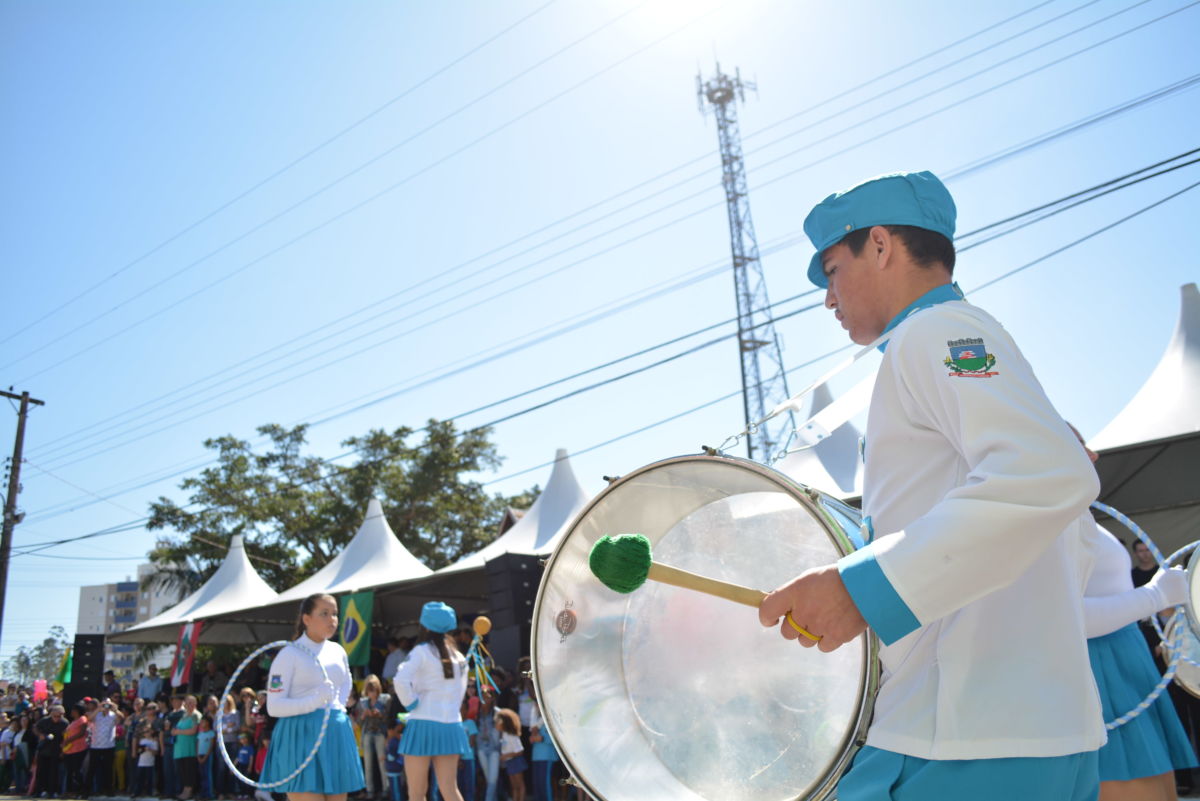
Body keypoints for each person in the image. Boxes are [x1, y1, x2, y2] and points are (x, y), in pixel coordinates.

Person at [759, 170, 1105, 800]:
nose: (828, 299)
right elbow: (1066, 536)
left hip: (961, 743)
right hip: (1015, 731)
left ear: (883, 246)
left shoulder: (938, 331)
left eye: (832, 270)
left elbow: (1048, 473)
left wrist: (860, 590)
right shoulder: (946, 337)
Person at [1068, 428, 1198, 800]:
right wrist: (1154, 596)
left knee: (1158, 787)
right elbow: (1066, 619)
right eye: (1077, 444)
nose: (1092, 455)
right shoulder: (1055, 524)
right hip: (1101, 675)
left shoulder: (1082, 519)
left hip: (1127, 667)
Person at [259, 593, 364, 799]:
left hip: (335, 732)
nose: (332, 619)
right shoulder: (289, 655)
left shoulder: (338, 651)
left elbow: (346, 681)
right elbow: (274, 706)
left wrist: (338, 707)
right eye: (324, 614)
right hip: (299, 735)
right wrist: (315, 701)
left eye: (334, 614)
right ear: (307, 619)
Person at [393, 601, 469, 801]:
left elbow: (400, 680)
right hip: (452, 725)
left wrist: (411, 704)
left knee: (417, 793)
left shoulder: (421, 651)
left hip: (422, 723)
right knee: (450, 790)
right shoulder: (460, 657)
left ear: (424, 625)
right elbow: (460, 694)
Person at [355, 675, 391, 800]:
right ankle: (370, 791)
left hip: (380, 733)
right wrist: (364, 715)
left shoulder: (385, 700)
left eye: (374, 690)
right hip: (367, 734)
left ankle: (386, 789)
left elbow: (388, 719)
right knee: (368, 764)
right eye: (370, 690)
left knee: (382, 763)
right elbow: (358, 722)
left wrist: (380, 715)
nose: (372, 693)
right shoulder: (363, 703)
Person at [86, 698, 122, 797]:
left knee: (108, 770)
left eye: (108, 705)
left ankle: (109, 790)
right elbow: (89, 719)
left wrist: (115, 709)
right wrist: (99, 708)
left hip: (108, 745)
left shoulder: (113, 715)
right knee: (91, 769)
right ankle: (86, 791)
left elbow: (121, 717)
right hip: (96, 746)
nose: (106, 707)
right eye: (105, 704)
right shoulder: (96, 715)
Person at [34, 704, 68, 798]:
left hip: (56, 750)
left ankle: (52, 791)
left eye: (59, 716)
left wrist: (63, 750)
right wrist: (40, 734)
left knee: (54, 772)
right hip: (44, 749)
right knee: (41, 771)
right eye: (55, 716)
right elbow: (35, 728)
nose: (57, 718)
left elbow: (66, 737)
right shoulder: (44, 721)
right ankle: (39, 791)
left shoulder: (64, 723)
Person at [171, 695, 202, 800]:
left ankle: (189, 791)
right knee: (183, 771)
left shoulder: (196, 715)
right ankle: (184, 790)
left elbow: (193, 731)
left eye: (191, 703)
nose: (189, 705)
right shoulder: (184, 715)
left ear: (195, 704)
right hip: (180, 749)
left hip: (190, 748)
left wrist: (178, 732)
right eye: (187, 703)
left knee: (189, 771)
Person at [495, 709, 525, 801]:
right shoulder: (503, 734)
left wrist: (506, 756)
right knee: (514, 786)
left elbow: (520, 751)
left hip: (516, 761)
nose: (495, 724)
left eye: (497, 722)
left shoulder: (512, 735)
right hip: (510, 762)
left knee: (520, 785)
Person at [384, 719, 405, 801]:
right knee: (395, 791)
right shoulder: (393, 741)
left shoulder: (394, 741)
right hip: (393, 770)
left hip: (394, 770)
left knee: (396, 792)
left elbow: (394, 756)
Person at [196, 716, 215, 800]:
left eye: (203, 721)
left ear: (208, 722)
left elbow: (211, 746)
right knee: (202, 775)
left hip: (207, 756)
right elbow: (197, 745)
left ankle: (209, 794)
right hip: (200, 756)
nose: (201, 723)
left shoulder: (211, 733)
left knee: (208, 775)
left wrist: (205, 757)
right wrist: (198, 756)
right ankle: (202, 793)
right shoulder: (200, 734)